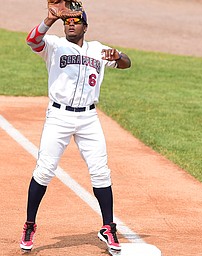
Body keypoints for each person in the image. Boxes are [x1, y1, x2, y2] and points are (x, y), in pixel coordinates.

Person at [19, 7, 131, 253]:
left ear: (85, 27)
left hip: (89, 118)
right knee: (45, 169)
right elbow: (32, 40)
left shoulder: (98, 49)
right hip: (59, 116)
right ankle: (29, 224)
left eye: (76, 21)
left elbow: (127, 63)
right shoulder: (54, 46)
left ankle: (108, 228)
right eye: (67, 21)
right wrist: (50, 18)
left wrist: (117, 56)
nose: (71, 25)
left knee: (101, 172)